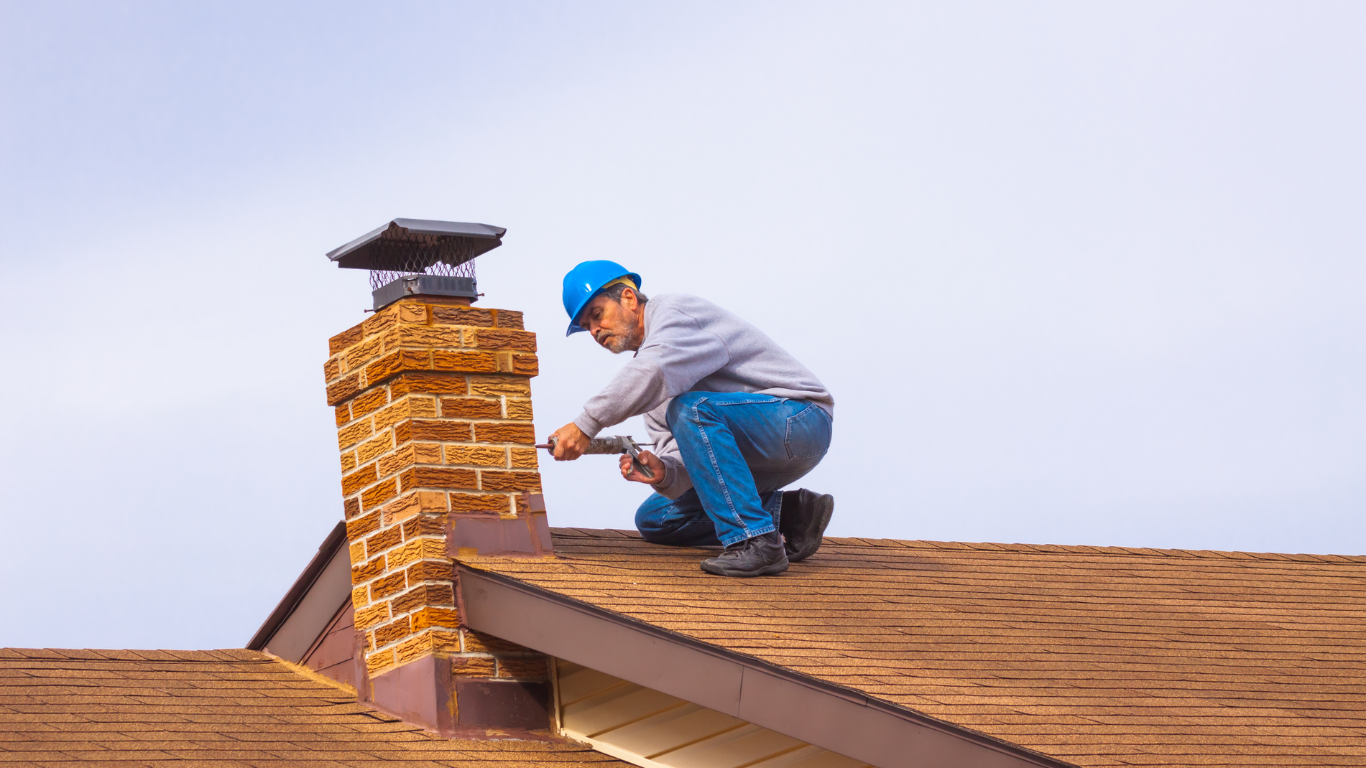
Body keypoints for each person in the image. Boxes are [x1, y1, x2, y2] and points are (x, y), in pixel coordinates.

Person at [547, 260, 835, 577]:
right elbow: (690, 459)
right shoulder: (652, 383)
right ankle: (791, 516)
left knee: (692, 409)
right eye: (587, 327)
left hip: (800, 420)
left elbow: (655, 370)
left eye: (597, 315)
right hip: (755, 455)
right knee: (658, 517)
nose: (594, 330)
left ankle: (756, 542)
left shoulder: (674, 313)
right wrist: (665, 473)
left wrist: (585, 425)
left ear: (629, 298)